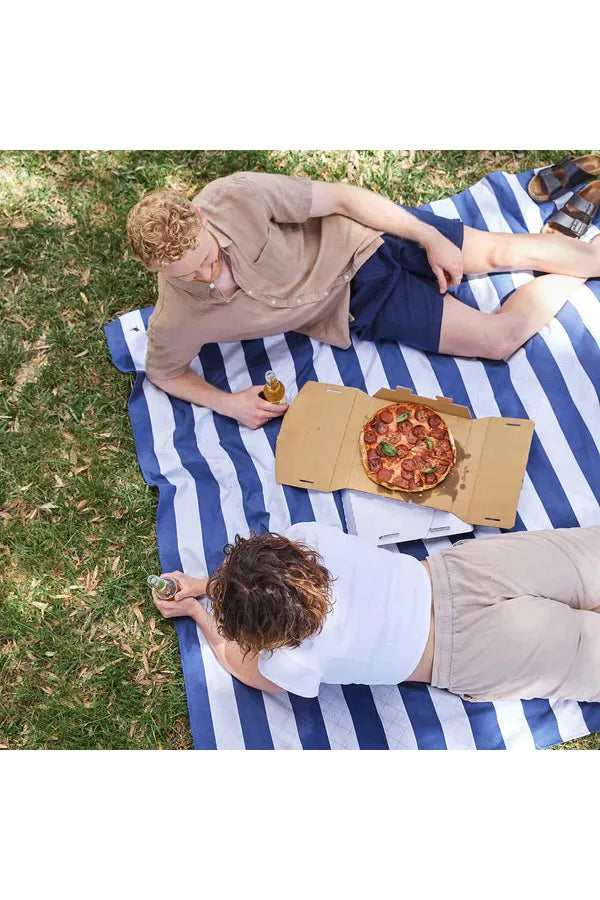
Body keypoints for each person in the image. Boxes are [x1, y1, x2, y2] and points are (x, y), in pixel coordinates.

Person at [127, 171, 600, 430]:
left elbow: (343, 200)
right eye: (186, 274)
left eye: (206, 258)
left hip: (369, 237)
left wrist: (427, 235)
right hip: (359, 302)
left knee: (505, 252)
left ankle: (591, 259)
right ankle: (575, 273)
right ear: (158, 273)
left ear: (201, 217)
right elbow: (164, 372)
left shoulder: (234, 196)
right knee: (497, 339)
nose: (206, 276)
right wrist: (228, 404)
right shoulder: (178, 316)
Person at [151, 522, 600, 703]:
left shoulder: (291, 660)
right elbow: (265, 581)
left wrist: (196, 609)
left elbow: (242, 665)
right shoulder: (313, 537)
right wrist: (206, 584)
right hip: (469, 575)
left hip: (473, 652)